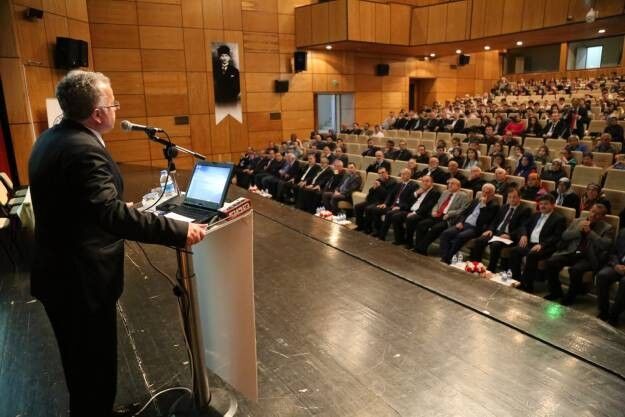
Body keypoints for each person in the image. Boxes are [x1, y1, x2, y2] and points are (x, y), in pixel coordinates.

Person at [28, 70, 207, 417]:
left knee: (82, 366)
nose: (116, 109)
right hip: (79, 280)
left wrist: (108, 208)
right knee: (94, 365)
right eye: (113, 104)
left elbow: (77, 202)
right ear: (97, 114)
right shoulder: (83, 149)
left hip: (59, 272)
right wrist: (177, 230)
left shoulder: (52, 138)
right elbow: (109, 215)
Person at [543, 203, 613, 303]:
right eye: (592, 211)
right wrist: (578, 231)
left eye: (597, 214)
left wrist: (590, 232)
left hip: (588, 257)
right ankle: (556, 292)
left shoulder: (607, 228)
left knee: (575, 270)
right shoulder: (578, 221)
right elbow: (564, 236)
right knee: (551, 262)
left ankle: (570, 296)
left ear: (602, 217)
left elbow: (604, 245)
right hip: (572, 252)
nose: (593, 215)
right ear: (590, 211)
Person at [509, 194, 566, 292]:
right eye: (541, 204)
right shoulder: (536, 215)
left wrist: (542, 244)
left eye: (546, 204)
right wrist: (524, 235)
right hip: (531, 243)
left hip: (546, 246)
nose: (542, 206)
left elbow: (557, 236)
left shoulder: (559, 219)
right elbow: (524, 226)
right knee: (515, 251)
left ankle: (527, 285)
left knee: (532, 255)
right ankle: (516, 279)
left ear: (553, 205)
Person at [470, 187, 532, 272]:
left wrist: (510, 235)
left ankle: (491, 269)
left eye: (514, 197)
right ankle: (476, 265)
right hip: (497, 233)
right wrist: (490, 229)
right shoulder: (504, 207)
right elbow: (495, 221)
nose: (512, 199)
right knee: (479, 240)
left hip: (509, 236)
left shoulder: (525, 210)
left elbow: (522, 227)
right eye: (510, 197)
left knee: (495, 244)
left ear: (519, 197)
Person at [438, 183, 499, 264]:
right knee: (446, 233)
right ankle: (445, 256)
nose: (484, 194)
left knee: (460, 236)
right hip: (464, 224)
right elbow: (465, 213)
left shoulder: (494, 206)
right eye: (483, 192)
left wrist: (483, 206)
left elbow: (484, 220)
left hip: (476, 228)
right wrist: (460, 222)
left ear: (492, 194)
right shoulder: (476, 200)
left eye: (487, 193)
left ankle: (447, 259)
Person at [413, 178, 470, 255]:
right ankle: (419, 247)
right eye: (449, 183)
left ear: (458, 186)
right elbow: (437, 203)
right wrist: (434, 210)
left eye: (452, 184)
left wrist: (450, 214)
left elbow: (463, 210)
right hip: (438, 215)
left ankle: (421, 248)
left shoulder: (464, 196)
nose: (449, 185)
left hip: (448, 218)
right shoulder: (445, 192)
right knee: (422, 224)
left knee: (436, 228)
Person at [367, 168, 417, 240]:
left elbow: (411, 200)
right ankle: (377, 231)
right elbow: (390, 194)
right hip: (393, 205)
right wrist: (385, 203)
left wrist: (400, 207)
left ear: (409, 175)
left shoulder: (413, 185)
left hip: (402, 208)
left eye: (404, 174)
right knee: (376, 210)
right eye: (401, 174)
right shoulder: (399, 184)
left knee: (389, 214)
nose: (402, 176)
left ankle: (382, 236)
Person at [401, 175, 440, 249]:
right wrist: (416, 193)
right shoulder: (419, 190)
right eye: (423, 181)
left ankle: (409, 243)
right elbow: (408, 201)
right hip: (411, 210)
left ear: (432, 183)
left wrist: (415, 213)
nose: (424, 183)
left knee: (410, 219)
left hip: (422, 214)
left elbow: (428, 206)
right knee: (396, 216)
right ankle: (400, 240)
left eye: (427, 181)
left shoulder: (435, 193)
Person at [596, 228, 625, 326]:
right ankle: (604, 311)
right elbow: (614, 252)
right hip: (619, 265)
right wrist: (616, 265)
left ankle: (614, 316)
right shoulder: (623, 232)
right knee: (602, 275)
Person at [354, 167, 396, 233]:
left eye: (383, 172)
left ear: (387, 172)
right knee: (357, 206)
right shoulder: (378, 180)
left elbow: (388, 196)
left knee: (368, 208)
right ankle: (359, 226)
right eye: (379, 173)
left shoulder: (392, 182)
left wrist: (379, 187)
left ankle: (368, 229)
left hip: (382, 202)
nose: (381, 174)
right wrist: (373, 188)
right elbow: (370, 193)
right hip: (373, 200)